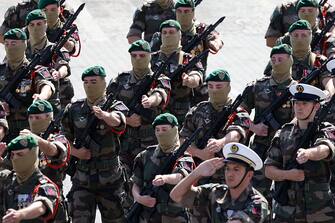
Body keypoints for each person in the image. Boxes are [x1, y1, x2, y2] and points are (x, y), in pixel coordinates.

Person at [61, 65, 127, 223]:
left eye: (94, 81)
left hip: (110, 178)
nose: (89, 85)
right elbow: (62, 138)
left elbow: (120, 122)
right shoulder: (74, 108)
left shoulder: (114, 105)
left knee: (116, 219)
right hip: (83, 176)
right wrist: (77, 153)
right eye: (86, 82)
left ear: (104, 83)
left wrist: (105, 116)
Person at [265, 83, 335, 222]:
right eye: (296, 103)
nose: (299, 107)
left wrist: (309, 153)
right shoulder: (284, 133)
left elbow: (325, 149)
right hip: (287, 213)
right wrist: (289, 175)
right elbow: (268, 169)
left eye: (304, 103)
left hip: (320, 212)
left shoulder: (326, 130)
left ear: (316, 106)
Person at [240, 43, 296, 200]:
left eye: (281, 59)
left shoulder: (297, 90)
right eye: (274, 59)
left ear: (290, 60)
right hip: (261, 147)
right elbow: (239, 111)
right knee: (256, 192)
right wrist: (253, 126)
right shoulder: (257, 86)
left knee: (286, 193)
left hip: (287, 149)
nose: (277, 62)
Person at [107, 39, 170, 176]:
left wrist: (150, 101)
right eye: (134, 56)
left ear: (149, 56)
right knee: (124, 180)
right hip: (124, 142)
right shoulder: (120, 80)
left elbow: (161, 93)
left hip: (150, 143)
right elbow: (107, 103)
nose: (138, 59)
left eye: (142, 56)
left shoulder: (159, 79)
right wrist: (127, 119)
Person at [170, 142, 270, 223]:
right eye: (227, 169)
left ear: (249, 175)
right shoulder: (215, 192)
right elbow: (176, 195)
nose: (230, 174)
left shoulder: (258, 203)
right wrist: (197, 172)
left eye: (236, 169)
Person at [180, 69, 250, 182]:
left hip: (229, 176)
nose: (214, 90)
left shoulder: (239, 112)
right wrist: (200, 153)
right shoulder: (197, 110)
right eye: (211, 86)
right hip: (199, 173)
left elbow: (236, 134)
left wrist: (220, 142)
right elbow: (183, 139)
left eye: (219, 87)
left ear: (228, 88)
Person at [150, 0, 224, 106]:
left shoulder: (201, 30)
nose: (183, 14)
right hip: (168, 82)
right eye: (179, 11)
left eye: (186, 11)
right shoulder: (166, 30)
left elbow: (216, 40)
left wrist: (214, 43)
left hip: (196, 82)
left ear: (193, 12)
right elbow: (153, 58)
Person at [131, 113, 194, 223]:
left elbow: (181, 176)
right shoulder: (145, 156)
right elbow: (136, 183)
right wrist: (140, 198)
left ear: (174, 130)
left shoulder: (184, 157)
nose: (160, 133)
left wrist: (165, 179)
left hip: (174, 218)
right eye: (157, 130)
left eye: (164, 129)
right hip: (146, 216)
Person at [0, 28, 55, 142]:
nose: (10, 47)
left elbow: (46, 85)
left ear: (24, 45)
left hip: (27, 131)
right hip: (3, 129)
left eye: (14, 43)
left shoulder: (33, 70)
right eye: (7, 44)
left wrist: (41, 96)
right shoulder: (0, 70)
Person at [151, 19, 204, 124]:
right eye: (164, 33)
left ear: (179, 35)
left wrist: (190, 80)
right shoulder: (152, 58)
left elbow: (197, 74)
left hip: (180, 112)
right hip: (155, 111)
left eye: (171, 32)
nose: (167, 35)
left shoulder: (187, 58)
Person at [264, 20, 335, 97]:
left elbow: (329, 84)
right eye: (296, 35)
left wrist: (328, 93)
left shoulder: (319, 62)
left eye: (304, 35)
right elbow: (266, 85)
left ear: (310, 37)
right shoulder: (279, 60)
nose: (299, 39)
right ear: (290, 37)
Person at [0, 134, 60, 223]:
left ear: (32, 156)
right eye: (12, 155)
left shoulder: (45, 185)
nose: (15, 158)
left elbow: (41, 206)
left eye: (20, 154)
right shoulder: (7, 178)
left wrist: (20, 215)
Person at [25, 9, 74, 112]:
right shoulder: (20, 49)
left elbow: (63, 65)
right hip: (27, 96)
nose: (35, 28)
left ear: (46, 24)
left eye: (39, 24)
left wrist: (59, 73)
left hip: (56, 97)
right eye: (32, 25)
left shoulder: (55, 49)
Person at [264, 0, 334, 47]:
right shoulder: (284, 9)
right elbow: (270, 41)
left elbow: (331, 39)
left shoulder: (327, 11)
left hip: (319, 63)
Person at [0, 0, 73, 44]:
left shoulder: (64, 10)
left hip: (54, 60)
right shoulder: (21, 9)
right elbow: (2, 36)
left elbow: (72, 42)